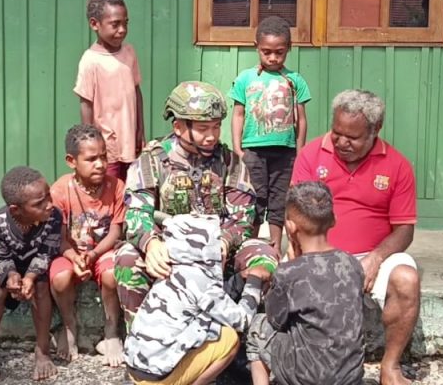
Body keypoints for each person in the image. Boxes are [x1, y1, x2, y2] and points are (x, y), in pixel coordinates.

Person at [114, 81, 279, 327]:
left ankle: (247, 332)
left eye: (216, 126)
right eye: (203, 129)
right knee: (127, 259)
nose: (212, 136)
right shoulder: (152, 160)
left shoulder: (230, 162)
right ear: (178, 127)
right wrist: (150, 243)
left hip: (219, 251)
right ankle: (143, 337)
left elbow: (242, 218)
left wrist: (225, 241)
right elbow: (137, 212)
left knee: (265, 257)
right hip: (169, 252)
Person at [291, 89, 420, 385]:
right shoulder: (311, 154)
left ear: (376, 130)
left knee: (406, 279)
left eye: (353, 137)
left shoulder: (397, 165)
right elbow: (296, 213)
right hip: (320, 251)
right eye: (337, 133)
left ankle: (390, 366)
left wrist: (376, 258)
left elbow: (405, 229)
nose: (341, 142)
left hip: (373, 254)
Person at [124, 214, 271, 385]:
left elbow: (213, 299)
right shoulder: (200, 280)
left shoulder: (172, 270)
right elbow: (243, 320)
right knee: (229, 338)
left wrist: (239, 279)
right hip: (157, 378)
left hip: (136, 368)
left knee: (209, 323)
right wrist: (254, 281)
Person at [248, 181, 366, 385]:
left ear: (290, 227)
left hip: (308, 377)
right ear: (334, 220)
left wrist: (289, 264)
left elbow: (275, 320)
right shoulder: (352, 264)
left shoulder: (289, 272)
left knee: (258, 326)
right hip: (350, 377)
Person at [230, 16, 311, 251]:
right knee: (255, 197)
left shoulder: (294, 80)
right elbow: (238, 114)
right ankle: (251, 246)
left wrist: (300, 150)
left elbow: (301, 118)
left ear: (289, 48)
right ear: (256, 47)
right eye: (266, 52)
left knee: (279, 199)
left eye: (279, 52)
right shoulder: (246, 78)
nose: (273, 58)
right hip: (253, 151)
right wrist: (238, 148)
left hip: (285, 152)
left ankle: (275, 247)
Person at [0, 167, 62, 382]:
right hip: (7, 263)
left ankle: (42, 351)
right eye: (39, 203)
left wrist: (30, 277)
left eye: (48, 196)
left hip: (37, 263)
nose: (49, 204)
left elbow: (46, 254)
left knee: (41, 286)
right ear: (15, 210)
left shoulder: (54, 217)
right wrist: (12, 276)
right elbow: (1, 258)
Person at [49, 124, 126, 367]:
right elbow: (59, 237)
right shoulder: (60, 190)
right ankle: (69, 325)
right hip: (70, 253)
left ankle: (111, 330)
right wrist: (74, 258)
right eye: (91, 159)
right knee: (60, 277)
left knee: (113, 273)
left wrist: (93, 254)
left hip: (102, 252)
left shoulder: (116, 187)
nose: (100, 164)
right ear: (71, 161)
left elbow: (116, 231)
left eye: (103, 156)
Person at [75, 0, 145, 182]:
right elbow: (86, 103)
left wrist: (140, 130)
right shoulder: (90, 61)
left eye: (125, 23)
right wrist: (90, 141)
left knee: (132, 186)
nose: (122, 30)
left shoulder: (129, 52)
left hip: (130, 140)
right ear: (94, 24)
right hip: (106, 144)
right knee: (108, 187)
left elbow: (136, 92)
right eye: (115, 24)